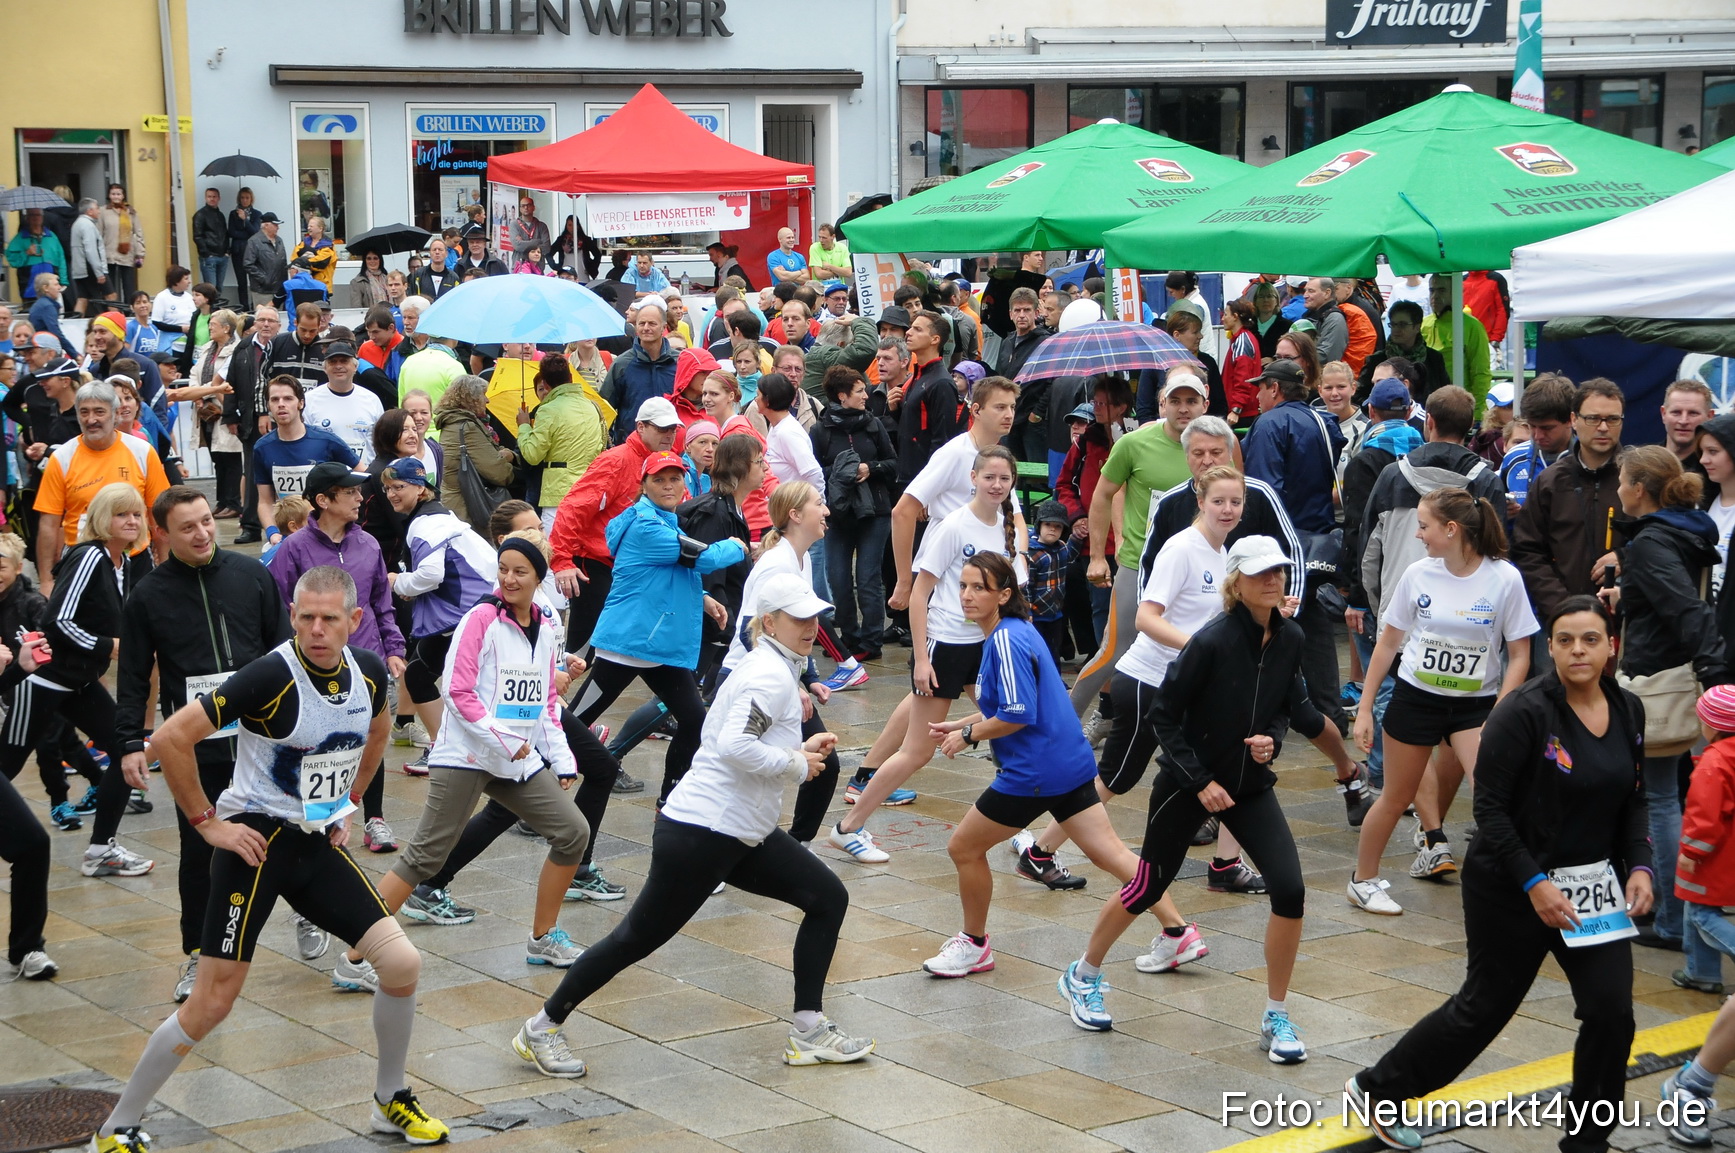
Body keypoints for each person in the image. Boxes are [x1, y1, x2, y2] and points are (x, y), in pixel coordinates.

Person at [89, 566, 450, 1153]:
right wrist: (210, 825)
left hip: (310, 844)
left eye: (329, 619)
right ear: (292, 615)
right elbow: (173, 739)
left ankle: (391, 1099)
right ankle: (116, 1126)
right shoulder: (267, 676)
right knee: (211, 1002)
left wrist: (347, 801)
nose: (316, 629)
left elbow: (379, 731)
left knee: (403, 964)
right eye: (305, 616)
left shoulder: (368, 670)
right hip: (253, 844)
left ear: (354, 622)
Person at [514, 570, 871, 1078]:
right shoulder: (768, 674)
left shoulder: (772, 666)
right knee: (635, 938)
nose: (810, 626)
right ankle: (541, 1027)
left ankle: (809, 1028)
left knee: (827, 897)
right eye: (798, 618)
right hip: (704, 833)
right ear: (769, 622)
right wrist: (797, 765)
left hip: (737, 830)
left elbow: (735, 739)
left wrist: (797, 751)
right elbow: (733, 746)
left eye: (813, 617)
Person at [1345, 595, 1652, 1153]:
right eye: (1564, 640)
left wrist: (1643, 866)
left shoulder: (1629, 709)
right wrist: (1534, 883)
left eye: (1590, 639)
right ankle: (1377, 1088)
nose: (1578, 650)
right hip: (1511, 882)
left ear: (1613, 646)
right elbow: (1487, 809)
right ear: (1550, 648)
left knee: (1612, 1013)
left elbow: (1634, 800)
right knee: (1485, 1007)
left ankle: (1588, 1142)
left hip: (1590, 887)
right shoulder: (1524, 711)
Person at [914, 550, 1194, 1004]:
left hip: (1034, 774)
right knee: (1112, 854)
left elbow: (1018, 714)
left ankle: (974, 944)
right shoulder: (1018, 631)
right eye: (963, 586)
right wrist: (965, 723)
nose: (966, 595)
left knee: (963, 847)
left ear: (1004, 595)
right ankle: (1179, 930)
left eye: (979, 588)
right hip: (1070, 764)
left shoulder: (1003, 639)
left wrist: (968, 735)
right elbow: (1022, 704)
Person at [1078, 536, 1319, 1061]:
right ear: (1236, 583)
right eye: (1260, 574)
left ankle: (1276, 1013)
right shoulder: (1209, 641)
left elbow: (1281, 706)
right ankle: (1084, 974)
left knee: (1291, 890)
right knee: (1147, 885)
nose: (1273, 580)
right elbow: (1164, 715)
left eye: (1278, 571)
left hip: (1249, 786)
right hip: (1188, 785)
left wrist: (1271, 740)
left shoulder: (1292, 636)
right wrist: (1199, 780)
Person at [116, 488, 290, 1001]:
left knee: (297, 836)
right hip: (197, 750)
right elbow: (132, 676)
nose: (202, 534)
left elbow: (282, 650)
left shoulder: (250, 574)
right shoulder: (148, 595)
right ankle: (197, 953)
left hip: (263, 741)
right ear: (162, 534)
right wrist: (131, 740)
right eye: (187, 527)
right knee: (199, 853)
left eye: (206, 522)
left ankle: (313, 919)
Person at [829, 448, 1026, 862]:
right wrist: (921, 659)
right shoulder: (954, 525)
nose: (996, 485)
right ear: (972, 477)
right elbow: (919, 594)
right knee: (918, 751)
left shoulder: (1006, 527)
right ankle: (848, 828)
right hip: (946, 645)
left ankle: (1021, 827)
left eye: (1004, 479)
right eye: (988, 477)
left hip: (985, 646)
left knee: (1012, 731)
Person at [1348, 487, 1538, 915]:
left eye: (1423, 525)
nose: (1418, 535)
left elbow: (1520, 654)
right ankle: (1362, 881)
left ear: (1451, 529)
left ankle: (1517, 881)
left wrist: (1501, 712)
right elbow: (1387, 643)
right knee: (1395, 797)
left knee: (1494, 793)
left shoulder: (1504, 577)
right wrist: (1364, 707)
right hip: (1416, 699)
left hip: (1475, 707)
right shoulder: (1418, 574)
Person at [570, 451, 746, 805]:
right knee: (571, 721)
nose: (668, 485)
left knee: (695, 720)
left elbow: (671, 572)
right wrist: (740, 545)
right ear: (644, 485)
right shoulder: (647, 525)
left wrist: (703, 599)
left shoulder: (664, 519)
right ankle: (524, 798)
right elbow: (705, 557)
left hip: (655, 645)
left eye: (675, 478)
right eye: (659, 480)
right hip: (629, 642)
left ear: (685, 482)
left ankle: (671, 800)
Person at [1605, 445, 1726, 952]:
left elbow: (1684, 609)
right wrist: (1625, 595)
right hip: (1674, 672)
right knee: (1666, 796)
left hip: (1657, 678)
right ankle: (1676, 917)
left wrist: (1715, 674)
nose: (1617, 490)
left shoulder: (1654, 540)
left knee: (1658, 799)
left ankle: (1672, 920)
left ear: (1638, 489)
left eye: (1622, 482)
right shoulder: (1689, 527)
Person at [3, 483, 155, 879]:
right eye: (123, 514)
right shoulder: (90, 556)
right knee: (6, 766)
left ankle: (101, 850)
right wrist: (110, 647)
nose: (132, 521)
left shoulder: (120, 563)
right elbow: (58, 620)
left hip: (80, 682)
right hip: (44, 681)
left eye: (136, 514)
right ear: (104, 519)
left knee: (126, 752)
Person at [1068, 370, 1207, 723]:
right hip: (1139, 563)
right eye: (1175, 401)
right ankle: (1063, 724)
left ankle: (1184, 729)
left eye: (1192, 401)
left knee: (1195, 647)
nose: (1184, 409)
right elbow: (1102, 494)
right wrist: (1099, 556)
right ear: (1162, 404)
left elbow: (1234, 498)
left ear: (1205, 404)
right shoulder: (1134, 443)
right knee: (1115, 649)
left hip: (1195, 566)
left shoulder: (1216, 445)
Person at [1243, 358, 1348, 729]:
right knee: (1315, 628)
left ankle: (1271, 714)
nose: (1256, 394)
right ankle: (1328, 712)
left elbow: (1263, 490)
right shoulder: (1323, 420)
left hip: (1280, 541)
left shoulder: (1270, 423)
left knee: (1269, 624)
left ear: (1274, 388)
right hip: (1317, 540)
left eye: (1260, 387)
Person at [549, 399, 681, 656]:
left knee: (630, 652)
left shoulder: (662, 461)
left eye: (673, 429)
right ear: (641, 427)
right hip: (598, 566)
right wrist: (562, 561)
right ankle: (558, 694)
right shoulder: (617, 460)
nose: (669, 434)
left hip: (629, 569)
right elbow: (574, 507)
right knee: (581, 657)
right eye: (662, 428)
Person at [33, 380, 171, 592]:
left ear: (116, 415)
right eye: (84, 412)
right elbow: (48, 524)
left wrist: (165, 564)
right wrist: (46, 581)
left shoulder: (142, 452)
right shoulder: (62, 458)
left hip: (135, 560)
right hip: (82, 562)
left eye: (99, 412)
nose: (91, 420)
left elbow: (158, 514)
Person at [1512, 378, 1626, 628]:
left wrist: (1626, 556)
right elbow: (1527, 551)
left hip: (1625, 622)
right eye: (1593, 418)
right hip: (1560, 620)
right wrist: (1562, 608)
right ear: (1574, 420)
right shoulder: (1550, 481)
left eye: (1613, 419)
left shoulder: (1639, 478)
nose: (1603, 427)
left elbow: (1664, 539)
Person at [811, 366, 897, 660]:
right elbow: (815, 473)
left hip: (875, 512)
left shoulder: (874, 425)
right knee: (838, 578)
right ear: (842, 395)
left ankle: (871, 642)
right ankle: (849, 638)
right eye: (860, 391)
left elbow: (893, 464)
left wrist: (869, 468)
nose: (865, 396)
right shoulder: (821, 430)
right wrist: (840, 471)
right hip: (838, 513)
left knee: (868, 577)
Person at [253, 375, 360, 530]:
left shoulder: (327, 441)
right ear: (268, 405)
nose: (281, 404)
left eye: (288, 399)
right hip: (287, 534)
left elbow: (363, 474)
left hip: (327, 532)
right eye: (275, 400)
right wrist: (272, 532)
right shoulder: (262, 448)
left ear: (301, 403)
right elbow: (265, 501)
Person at [516, 353, 609, 531]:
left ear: (546, 385)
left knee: (555, 549)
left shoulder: (547, 410)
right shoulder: (592, 406)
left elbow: (532, 455)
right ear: (571, 377)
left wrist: (524, 427)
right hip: (591, 488)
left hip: (558, 493)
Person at [434, 375, 515, 531]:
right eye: (483, 395)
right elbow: (499, 473)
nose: (487, 400)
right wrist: (510, 460)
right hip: (469, 509)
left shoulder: (452, 422)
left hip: (454, 504)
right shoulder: (467, 427)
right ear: (471, 398)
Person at [601, 298, 678, 443]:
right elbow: (605, 408)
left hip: (671, 444)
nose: (646, 328)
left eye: (652, 323)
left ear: (663, 327)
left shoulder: (679, 362)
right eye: (641, 323)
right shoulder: (622, 364)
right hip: (632, 445)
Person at [1499, 372, 1577, 515]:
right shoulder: (1514, 459)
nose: (1537, 436)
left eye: (1547, 428)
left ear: (1570, 420)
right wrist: (1501, 513)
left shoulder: (1588, 460)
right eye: (1532, 426)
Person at [304, 343, 386, 466]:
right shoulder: (310, 400)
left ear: (355, 366)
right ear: (325, 368)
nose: (338, 366)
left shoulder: (371, 400)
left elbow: (381, 443)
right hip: (326, 477)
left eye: (344, 361)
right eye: (333, 362)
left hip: (363, 477)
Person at [1421, 274, 1493, 411]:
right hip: (1428, 407)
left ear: (1455, 292)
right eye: (1432, 290)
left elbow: (1481, 373)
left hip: (1460, 407)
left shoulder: (1472, 326)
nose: (1434, 296)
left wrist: (1476, 412)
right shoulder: (1424, 324)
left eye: (1441, 290)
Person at [1360, 301, 1449, 403]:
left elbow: (1444, 394)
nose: (1396, 329)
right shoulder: (1376, 360)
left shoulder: (1434, 358)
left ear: (1417, 327)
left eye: (1402, 325)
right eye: (1393, 324)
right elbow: (1359, 397)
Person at [1661, 378, 1715, 474]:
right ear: (1663, 414)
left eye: (1693, 413)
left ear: (1709, 417)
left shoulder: (1718, 472)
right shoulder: (1643, 464)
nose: (1683, 421)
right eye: (1676, 412)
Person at [1221, 300, 1261, 426]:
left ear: (1235, 316)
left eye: (1226, 314)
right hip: (1243, 410)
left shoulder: (1242, 341)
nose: (1223, 318)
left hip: (1242, 413)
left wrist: (1236, 409)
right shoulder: (1242, 338)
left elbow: (1243, 379)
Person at [70, 198, 109, 316]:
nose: (99, 211)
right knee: (110, 295)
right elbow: (91, 250)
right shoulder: (88, 226)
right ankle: (114, 323)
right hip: (90, 268)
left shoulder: (77, 223)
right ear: (89, 211)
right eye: (97, 208)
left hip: (80, 269)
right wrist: (99, 272)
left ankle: (74, 324)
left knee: (82, 299)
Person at [243, 213, 289, 308]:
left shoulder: (279, 240)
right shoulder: (254, 241)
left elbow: (283, 262)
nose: (278, 227)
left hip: (279, 289)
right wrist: (265, 280)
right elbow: (248, 264)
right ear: (266, 225)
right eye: (275, 225)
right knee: (263, 317)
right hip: (262, 290)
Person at [1302, 278, 1348, 364]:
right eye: (1305, 291)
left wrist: (1296, 358)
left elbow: (1327, 357)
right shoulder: (1311, 315)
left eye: (1311, 291)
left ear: (1327, 293)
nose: (1305, 295)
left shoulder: (1335, 319)